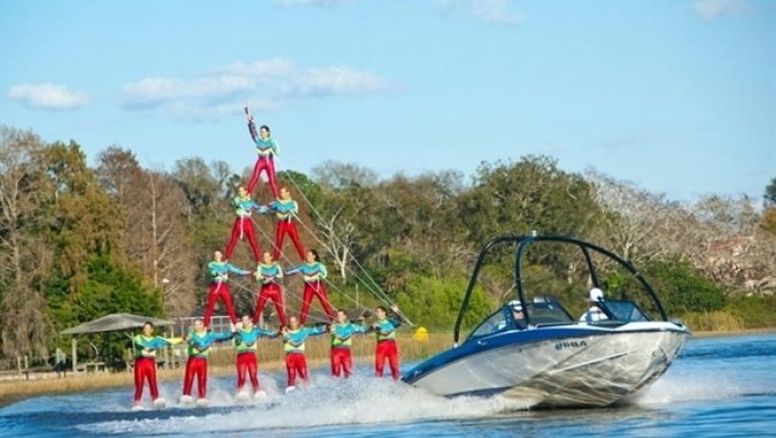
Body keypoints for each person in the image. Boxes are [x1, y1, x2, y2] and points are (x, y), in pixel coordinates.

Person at [180, 319, 234, 406]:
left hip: (203, 360)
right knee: (189, 379)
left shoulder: (210, 335)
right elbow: (189, 339)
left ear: (202, 326)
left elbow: (222, 336)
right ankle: (186, 396)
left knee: (202, 379)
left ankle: (202, 397)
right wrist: (188, 340)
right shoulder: (192, 334)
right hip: (193, 359)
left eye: (198, 325)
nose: (196, 327)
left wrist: (232, 333)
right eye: (195, 325)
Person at [132, 321, 182, 410]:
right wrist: (144, 347)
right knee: (139, 384)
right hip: (140, 363)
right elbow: (139, 344)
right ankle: (137, 403)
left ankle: (155, 400)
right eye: (145, 328)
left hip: (150, 363)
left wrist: (183, 338)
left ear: (152, 330)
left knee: (153, 383)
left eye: (148, 328)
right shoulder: (138, 337)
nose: (146, 330)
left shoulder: (157, 339)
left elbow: (170, 341)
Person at [233, 315, 279, 399]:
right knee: (242, 377)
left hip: (251, 356)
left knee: (253, 376)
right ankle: (239, 392)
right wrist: (236, 334)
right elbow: (237, 342)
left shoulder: (255, 331)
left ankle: (257, 391)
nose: (244, 322)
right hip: (241, 357)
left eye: (245, 320)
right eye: (242, 320)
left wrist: (279, 332)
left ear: (250, 321)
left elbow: (269, 333)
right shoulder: (238, 332)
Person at [204, 250, 252, 327]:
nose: (217, 256)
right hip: (215, 286)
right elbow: (210, 272)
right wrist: (216, 273)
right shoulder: (211, 264)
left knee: (229, 305)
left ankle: (235, 323)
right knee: (210, 307)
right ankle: (205, 325)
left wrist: (249, 272)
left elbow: (238, 271)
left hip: (223, 287)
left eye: (218, 254)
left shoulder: (226, 265)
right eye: (215, 255)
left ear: (221, 255)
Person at [286, 249, 335, 324]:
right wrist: (284, 272)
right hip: (308, 287)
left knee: (325, 304)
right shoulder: (304, 266)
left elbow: (325, 274)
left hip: (318, 286)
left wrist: (319, 276)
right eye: (307, 255)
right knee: (305, 306)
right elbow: (292, 271)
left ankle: (333, 321)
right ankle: (302, 324)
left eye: (309, 255)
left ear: (314, 256)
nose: (307, 256)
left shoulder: (319, 265)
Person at [281, 316, 328, 392]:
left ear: (297, 322)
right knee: (291, 374)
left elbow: (315, 330)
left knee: (303, 373)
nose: (292, 323)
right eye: (290, 322)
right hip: (290, 356)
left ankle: (307, 387)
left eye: (294, 322)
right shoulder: (285, 332)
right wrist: (284, 333)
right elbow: (283, 338)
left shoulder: (304, 331)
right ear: (288, 323)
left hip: (300, 356)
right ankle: (291, 388)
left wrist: (326, 327)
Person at [224, 185, 265, 263]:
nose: (240, 193)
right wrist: (243, 203)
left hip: (247, 222)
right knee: (233, 241)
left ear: (246, 192)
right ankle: (226, 259)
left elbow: (258, 207)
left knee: (253, 241)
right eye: (239, 191)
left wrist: (266, 208)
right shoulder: (237, 199)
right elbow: (235, 203)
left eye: (242, 191)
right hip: (239, 221)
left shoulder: (250, 201)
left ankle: (258, 260)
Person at [245, 107, 280, 198]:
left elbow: (278, 153)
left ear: (268, 133)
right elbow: (253, 132)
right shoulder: (258, 140)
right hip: (260, 161)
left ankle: (277, 197)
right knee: (255, 177)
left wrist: (275, 148)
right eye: (261, 132)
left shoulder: (272, 141)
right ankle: (248, 194)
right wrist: (250, 122)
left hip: (269, 161)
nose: (262, 133)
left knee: (272, 180)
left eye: (264, 132)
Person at [265, 187, 306, 261]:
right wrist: (268, 207)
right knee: (279, 241)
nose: (281, 194)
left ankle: (304, 258)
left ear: (288, 193)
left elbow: (295, 211)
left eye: (283, 192)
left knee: (296, 240)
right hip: (281, 223)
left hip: (290, 223)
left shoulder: (293, 203)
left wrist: (291, 211)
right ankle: (275, 260)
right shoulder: (277, 203)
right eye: (280, 192)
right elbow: (269, 208)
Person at [329, 310, 368, 378]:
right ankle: (335, 387)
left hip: (346, 351)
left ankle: (348, 386)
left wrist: (362, 321)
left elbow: (364, 329)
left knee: (348, 371)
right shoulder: (334, 326)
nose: (339, 317)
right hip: (336, 351)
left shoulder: (351, 326)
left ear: (345, 316)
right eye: (338, 315)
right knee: (336, 371)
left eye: (341, 315)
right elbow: (335, 334)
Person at [253, 251, 287, 326]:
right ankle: (254, 324)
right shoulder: (260, 266)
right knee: (259, 307)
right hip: (265, 289)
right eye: (264, 257)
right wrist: (264, 277)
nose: (266, 258)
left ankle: (284, 325)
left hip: (275, 289)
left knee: (279, 308)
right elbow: (258, 277)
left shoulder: (276, 266)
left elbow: (281, 275)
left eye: (267, 256)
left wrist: (274, 277)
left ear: (271, 257)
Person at [371, 305, 403, 380]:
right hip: (381, 346)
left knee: (394, 366)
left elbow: (400, 322)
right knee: (379, 366)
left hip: (391, 345)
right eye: (376, 312)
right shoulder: (375, 324)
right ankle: (377, 384)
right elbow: (367, 330)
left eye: (378, 312)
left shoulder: (391, 321)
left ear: (384, 313)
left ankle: (397, 381)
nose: (377, 314)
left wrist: (397, 312)